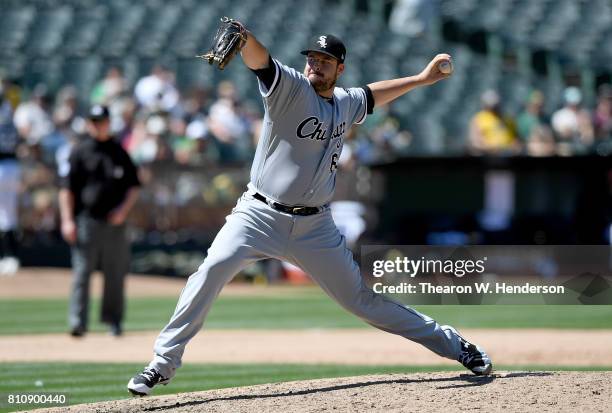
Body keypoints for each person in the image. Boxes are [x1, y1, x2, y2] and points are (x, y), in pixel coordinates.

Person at [128, 26, 492, 396]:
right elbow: (262, 62)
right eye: (312, 59)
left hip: (315, 226)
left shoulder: (346, 102)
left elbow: (372, 94)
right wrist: (247, 39)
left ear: (340, 69)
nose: (315, 65)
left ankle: (454, 345)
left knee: (360, 301)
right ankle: (161, 363)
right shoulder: (291, 88)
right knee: (210, 272)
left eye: (325, 61)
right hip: (258, 216)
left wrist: (420, 79)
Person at [58, 105, 141, 337]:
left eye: (101, 121)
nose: (97, 125)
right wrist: (67, 220)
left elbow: (134, 186)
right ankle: (78, 322)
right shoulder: (79, 151)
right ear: (88, 124)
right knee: (82, 272)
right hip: (87, 220)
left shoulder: (118, 152)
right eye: (93, 121)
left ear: (108, 122)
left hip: (115, 223)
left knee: (115, 274)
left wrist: (123, 210)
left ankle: (114, 321)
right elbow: (66, 189)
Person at [0, 83, 21, 276]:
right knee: (8, 215)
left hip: (2, 164)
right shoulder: (10, 115)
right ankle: (11, 256)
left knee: (5, 215)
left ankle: (8, 256)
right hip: (12, 166)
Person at [469, 89, 518, 155]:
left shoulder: (508, 119)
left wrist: (514, 146)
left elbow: (516, 139)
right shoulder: (479, 119)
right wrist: (491, 148)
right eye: (492, 105)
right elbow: (475, 143)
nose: (495, 107)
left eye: (496, 105)